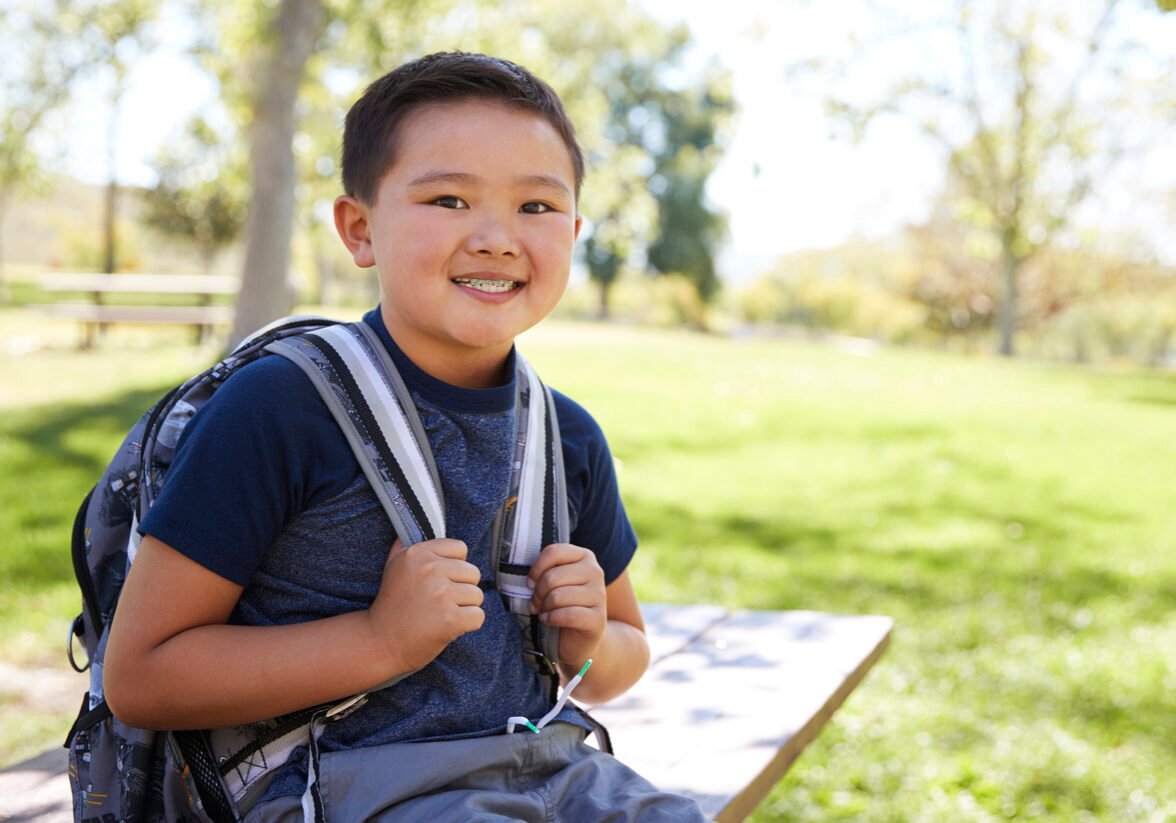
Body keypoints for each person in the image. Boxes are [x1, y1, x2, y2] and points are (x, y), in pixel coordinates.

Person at [103, 52, 709, 822]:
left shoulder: (566, 439)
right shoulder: (282, 407)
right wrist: (378, 641)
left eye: (537, 207)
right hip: (339, 787)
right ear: (360, 229)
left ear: (576, 231)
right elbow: (143, 676)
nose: (496, 237)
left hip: (542, 768)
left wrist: (585, 636)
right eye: (450, 199)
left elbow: (622, 654)